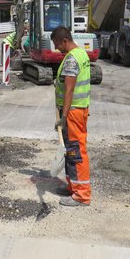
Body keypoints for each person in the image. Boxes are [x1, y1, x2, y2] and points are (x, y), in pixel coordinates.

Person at [51, 25, 92, 207]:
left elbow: (69, 89)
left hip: (73, 112)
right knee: (70, 149)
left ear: (64, 40)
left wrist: (63, 116)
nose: (56, 48)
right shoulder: (81, 54)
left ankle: (82, 195)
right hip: (78, 109)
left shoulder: (71, 60)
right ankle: (72, 187)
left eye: (57, 44)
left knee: (76, 151)